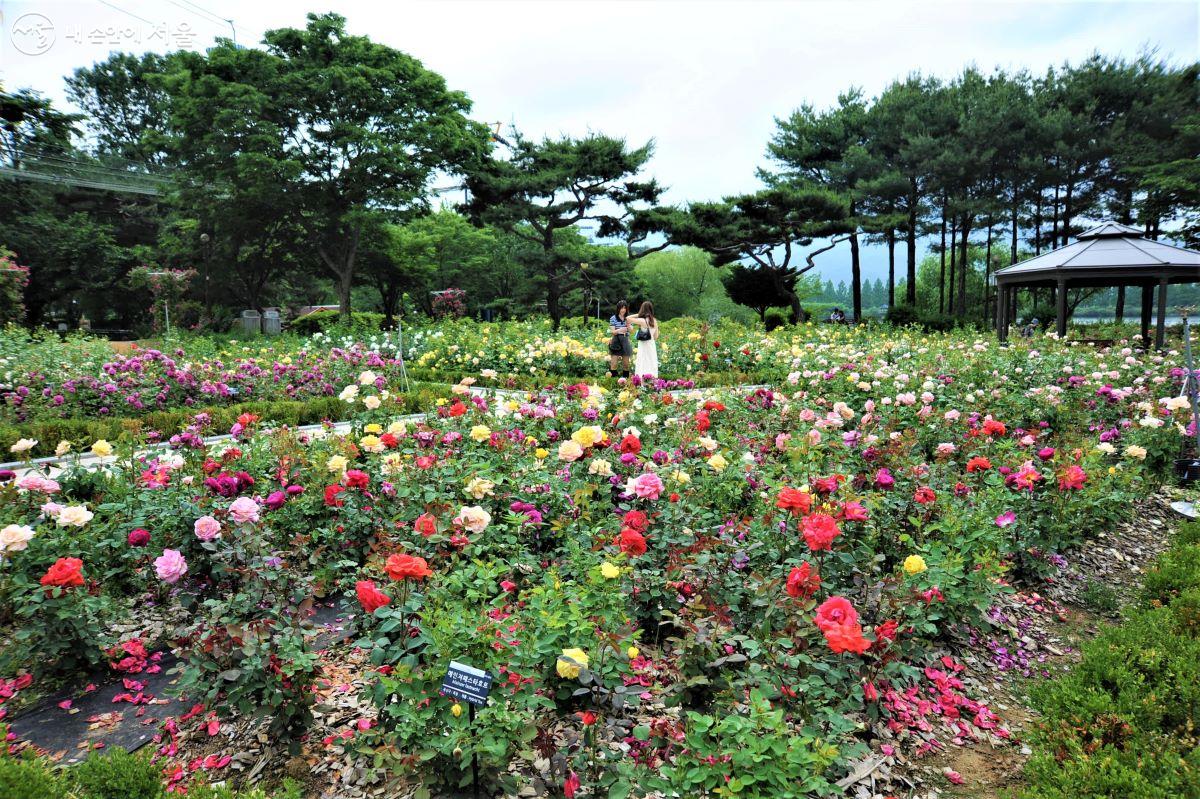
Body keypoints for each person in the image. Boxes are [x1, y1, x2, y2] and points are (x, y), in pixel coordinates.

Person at [625, 301, 659, 378]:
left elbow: (627, 318)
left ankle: (642, 382)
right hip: (651, 345)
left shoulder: (642, 320)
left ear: (642, 309)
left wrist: (639, 314)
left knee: (643, 362)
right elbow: (656, 336)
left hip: (644, 345)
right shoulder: (654, 321)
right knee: (651, 362)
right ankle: (652, 381)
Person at [607, 301, 633, 378]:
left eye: (625, 308)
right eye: (621, 308)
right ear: (618, 308)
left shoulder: (628, 318)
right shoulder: (613, 318)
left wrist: (628, 323)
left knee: (626, 364)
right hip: (616, 340)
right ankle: (613, 381)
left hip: (625, 340)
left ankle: (625, 383)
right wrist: (620, 330)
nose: (623, 310)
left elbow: (631, 331)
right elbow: (613, 332)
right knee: (614, 364)